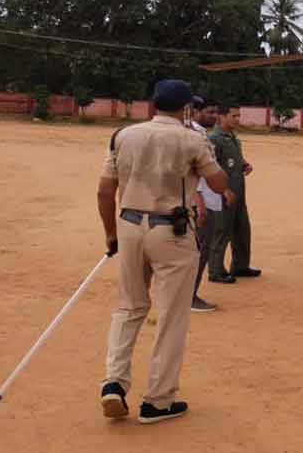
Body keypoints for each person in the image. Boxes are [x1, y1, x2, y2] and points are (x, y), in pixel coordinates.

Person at [96, 79, 229, 423]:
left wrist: (111, 235)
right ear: (186, 108)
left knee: (129, 307)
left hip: (128, 225)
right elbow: (218, 183)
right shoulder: (193, 139)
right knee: (172, 315)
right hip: (171, 230)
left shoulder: (123, 135)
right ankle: (158, 400)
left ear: (153, 105)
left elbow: (105, 192)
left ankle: (113, 382)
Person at [208, 105, 262, 281]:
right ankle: (216, 271)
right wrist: (222, 190)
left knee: (242, 229)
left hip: (238, 190)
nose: (238, 119)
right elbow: (209, 167)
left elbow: (234, 159)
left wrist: (244, 164)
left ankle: (240, 265)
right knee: (221, 230)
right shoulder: (214, 139)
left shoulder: (233, 138)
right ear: (221, 117)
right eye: (234, 116)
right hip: (223, 192)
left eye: (239, 116)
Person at [187, 96, 221, 312]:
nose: (213, 116)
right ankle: (189, 297)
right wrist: (199, 202)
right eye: (209, 112)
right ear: (195, 111)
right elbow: (192, 173)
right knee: (198, 250)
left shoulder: (199, 133)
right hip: (201, 201)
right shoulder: (193, 135)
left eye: (215, 112)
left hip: (207, 198)